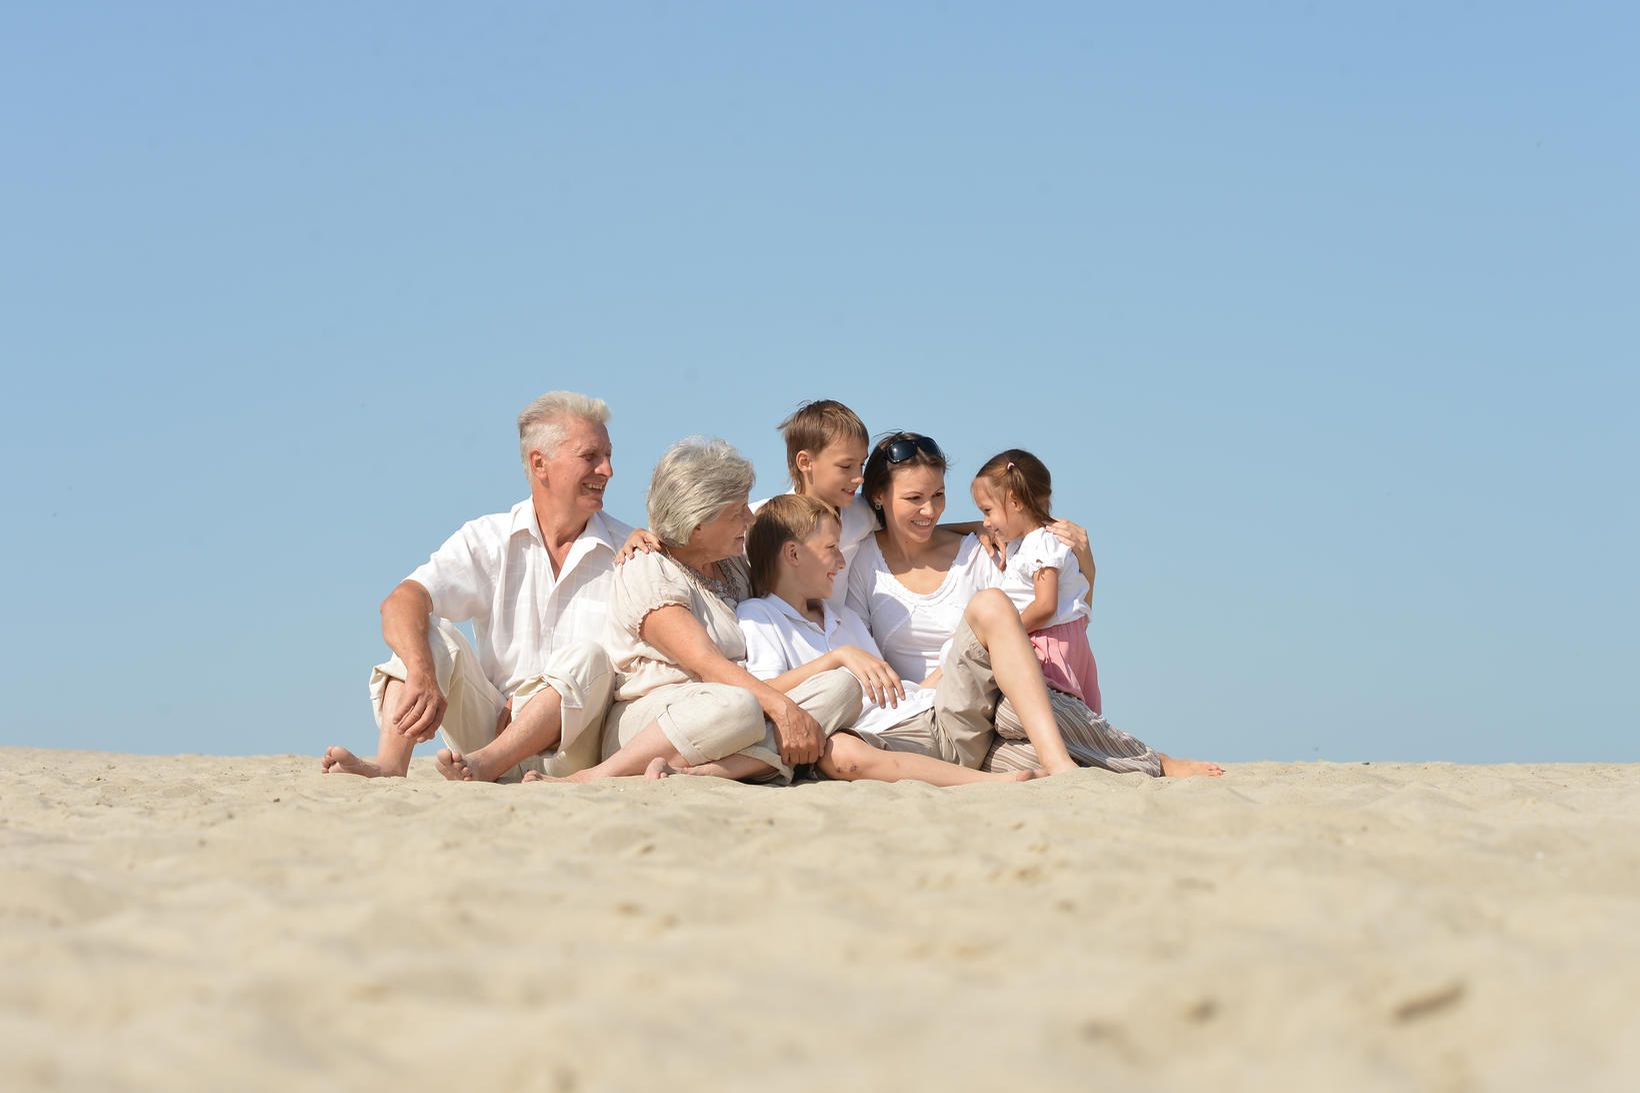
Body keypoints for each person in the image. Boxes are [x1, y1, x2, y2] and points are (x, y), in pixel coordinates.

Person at [847, 432, 1223, 778]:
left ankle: (1154, 762)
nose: (930, 511)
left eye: (939, 495)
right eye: (914, 499)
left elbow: (1056, 616)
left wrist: (1088, 566)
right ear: (879, 496)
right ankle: (1123, 761)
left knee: (1019, 705)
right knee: (1033, 749)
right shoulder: (863, 562)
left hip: (991, 704)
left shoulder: (980, 551)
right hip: (927, 717)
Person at [321, 391, 637, 782]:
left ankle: (488, 763)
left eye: (608, 455)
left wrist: (535, 706)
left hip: (575, 753)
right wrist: (422, 672)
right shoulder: (489, 537)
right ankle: (388, 766)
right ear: (540, 463)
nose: (607, 470)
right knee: (428, 632)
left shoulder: (630, 552)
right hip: (485, 735)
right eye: (591, 456)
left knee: (589, 657)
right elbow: (401, 601)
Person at [524, 438, 861, 785]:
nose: (749, 518)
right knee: (738, 706)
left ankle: (707, 772)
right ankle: (597, 776)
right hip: (659, 719)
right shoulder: (648, 568)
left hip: (737, 709)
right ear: (698, 524)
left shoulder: (734, 566)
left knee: (842, 687)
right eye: (737, 512)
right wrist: (782, 707)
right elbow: (705, 662)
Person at [736, 495, 1035, 786]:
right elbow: (765, 695)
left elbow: (891, 690)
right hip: (887, 742)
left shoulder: (844, 617)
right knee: (839, 752)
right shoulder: (759, 615)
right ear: (793, 554)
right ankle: (990, 782)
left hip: (938, 712)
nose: (841, 562)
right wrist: (836, 658)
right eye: (831, 548)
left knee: (988, 607)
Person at [971, 448, 1102, 715]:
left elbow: (1045, 605)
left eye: (987, 511)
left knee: (1049, 714)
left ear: (1015, 502)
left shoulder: (1041, 544)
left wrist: (1005, 632)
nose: (985, 522)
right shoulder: (1029, 542)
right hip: (1060, 639)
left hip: (1048, 643)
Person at [752, 399, 876, 611]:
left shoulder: (864, 514)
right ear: (805, 462)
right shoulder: (761, 521)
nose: (859, 478)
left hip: (837, 634)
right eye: (846, 466)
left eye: (861, 465)